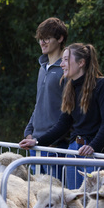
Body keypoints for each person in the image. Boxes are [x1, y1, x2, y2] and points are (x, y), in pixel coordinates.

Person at [19, 43, 104, 189]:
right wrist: (37, 143)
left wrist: (93, 147)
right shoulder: (69, 87)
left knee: (92, 201)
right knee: (74, 198)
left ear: (81, 62)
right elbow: (62, 125)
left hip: (94, 155)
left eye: (65, 60)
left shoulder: (102, 85)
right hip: (73, 150)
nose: (62, 64)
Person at [23, 17, 69, 180]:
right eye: (40, 39)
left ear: (60, 38)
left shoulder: (66, 69)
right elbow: (39, 104)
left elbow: (69, 111)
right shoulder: (42, 68)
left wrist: (51, 138)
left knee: (56, 198)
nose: (42, 42)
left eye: (47, 38)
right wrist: (29, 132)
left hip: (55, 147)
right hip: (36, 145)